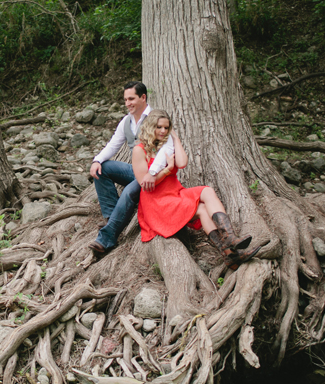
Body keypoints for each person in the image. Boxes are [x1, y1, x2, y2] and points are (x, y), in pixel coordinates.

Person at [132, 109, 260, 270]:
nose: (163, 131)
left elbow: (182, 163)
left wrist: (176, 138)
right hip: (157, 202)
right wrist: (166, 170)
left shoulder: (167, 145)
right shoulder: (140, 150)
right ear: (151, 127)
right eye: (159, 127)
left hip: (175, 193)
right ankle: (230, 253)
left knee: (207, 193)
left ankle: (230, 241)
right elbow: (145, 185)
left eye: (166, 127)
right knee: (202, 208)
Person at [89, 81, 173, 254]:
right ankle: (112, 217)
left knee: (128, 191)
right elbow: (113, 145)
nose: (128, 103)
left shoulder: (156, 120)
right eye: (126, 100)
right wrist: (96, 161)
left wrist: (152, 172)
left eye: (132, 99)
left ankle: (107, 238)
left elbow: (166, 148)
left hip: (153, 175)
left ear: (143, 97)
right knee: (102, 168)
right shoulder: (126, 121)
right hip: (135, 171)